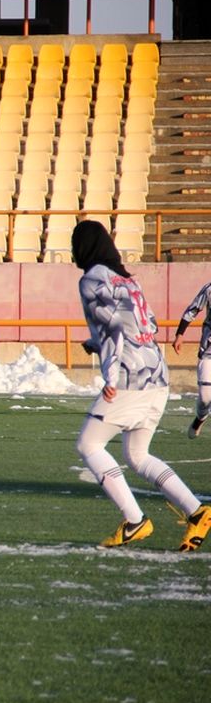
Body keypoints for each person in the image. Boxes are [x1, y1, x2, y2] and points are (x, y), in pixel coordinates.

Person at [72, 220, 209, 551]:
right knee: (137, 454)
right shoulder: (127, 279)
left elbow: (115, 329)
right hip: (156, 377)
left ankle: (135, 521)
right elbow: (139, 324)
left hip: (129, 379)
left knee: (88, 446)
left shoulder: (91, 279)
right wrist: (96, 343)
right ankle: (197, 511)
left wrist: (109, 373)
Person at [172, 279, 211, 438]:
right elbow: (192, 310)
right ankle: (201, 417)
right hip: (209, 351)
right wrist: (180, 335)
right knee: (205, 397)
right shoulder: (209, 289)